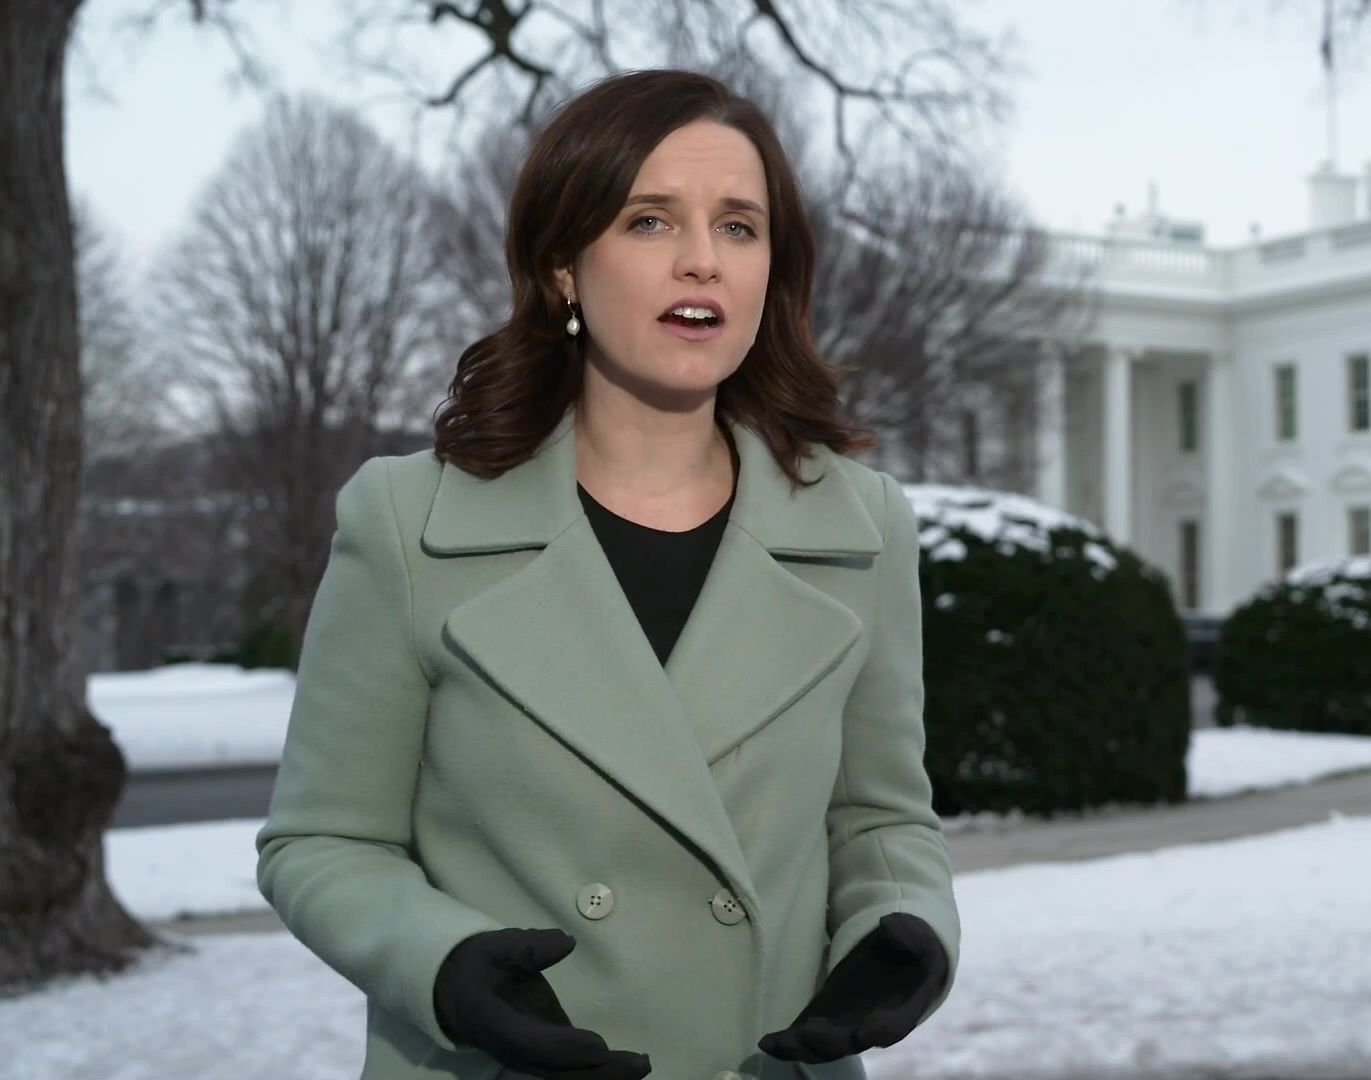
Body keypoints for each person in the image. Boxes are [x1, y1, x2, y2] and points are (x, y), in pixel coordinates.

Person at [255, 68, 960, 1080]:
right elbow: (322, 841)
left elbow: (882, 818)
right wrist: (443, 966)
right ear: (563, 267)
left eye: (739, 227)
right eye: (649, 221)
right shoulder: (410, 523)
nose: (702, 260)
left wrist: (907, 925)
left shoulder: (862, 529)